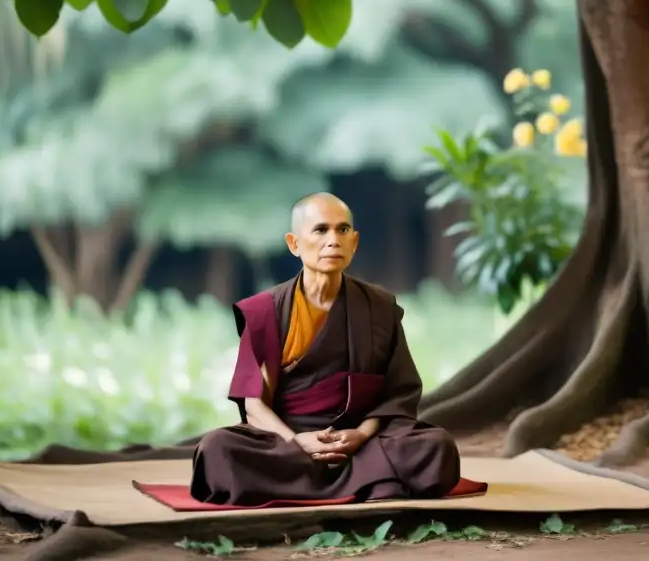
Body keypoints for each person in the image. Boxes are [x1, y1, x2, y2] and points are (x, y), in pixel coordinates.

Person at [189, 192, 461, 506]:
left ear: (354, 242)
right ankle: (372, 482)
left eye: (342, 230)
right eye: (320, 230)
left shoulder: (379, 306)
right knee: (217, 449)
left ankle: (328, 480)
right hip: (286, 439)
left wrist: (360, 434)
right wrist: (298, 442)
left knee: (436, 446)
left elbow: (397, 393)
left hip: (359, 441)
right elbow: (255, 405)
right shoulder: (266, 310)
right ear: (294, 243)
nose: (333, 240)